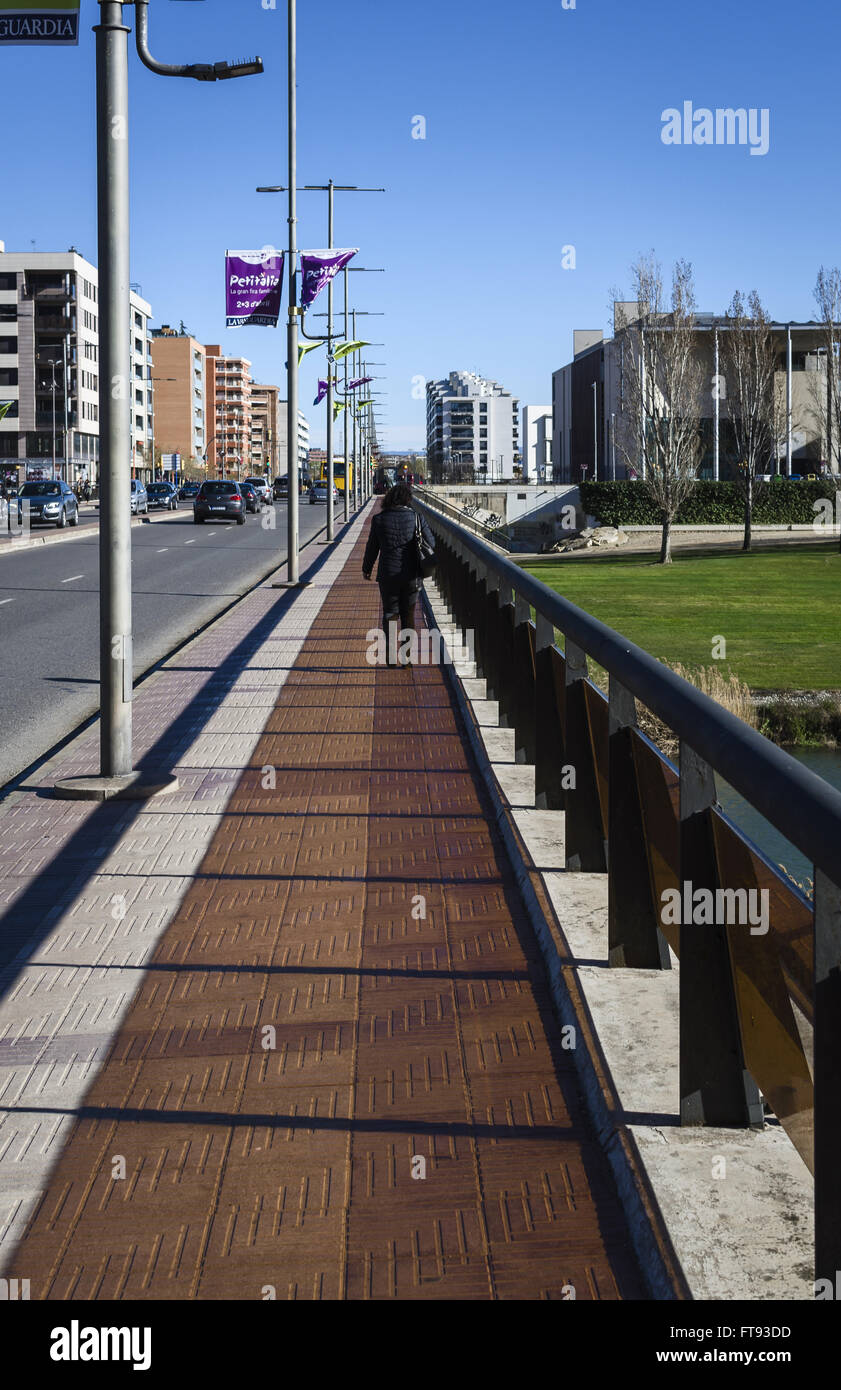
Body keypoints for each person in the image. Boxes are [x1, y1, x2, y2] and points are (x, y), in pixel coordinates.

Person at [362, 482, 434, 666]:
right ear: (407, 499)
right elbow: (431, 542)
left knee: (390, 613)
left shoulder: (379, 520)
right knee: (408, 614)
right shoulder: (416, 518)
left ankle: (390, 657)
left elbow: (372, 548)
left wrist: (367, 568)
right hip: (411, 575)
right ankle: (406, 657)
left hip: (387, 575)